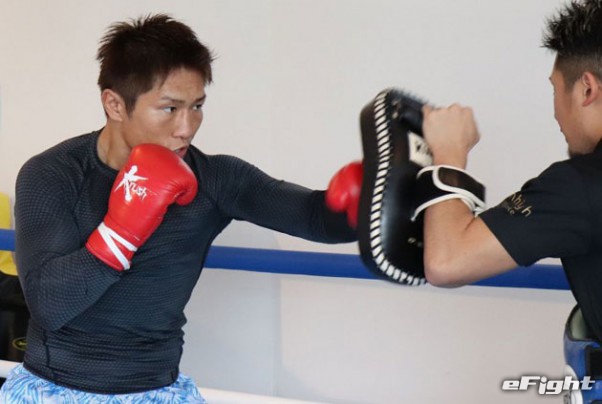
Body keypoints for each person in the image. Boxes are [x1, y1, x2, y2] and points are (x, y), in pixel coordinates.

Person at [0, 14, 360, 403]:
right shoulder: (53, 174)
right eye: (170, 109)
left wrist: (365, 200)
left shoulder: (216, 178)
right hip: (53, 390)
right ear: (115, 104)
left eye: (197, 106)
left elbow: (316, 219)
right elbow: (49, 305)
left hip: (158, 390)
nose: (187, 127)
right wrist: (121, 230)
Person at [414, 0, 602, 402]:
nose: (556, 113)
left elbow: (446, 262)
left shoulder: (582, 185)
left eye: (555, 89)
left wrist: (449, 155)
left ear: (587, 89)